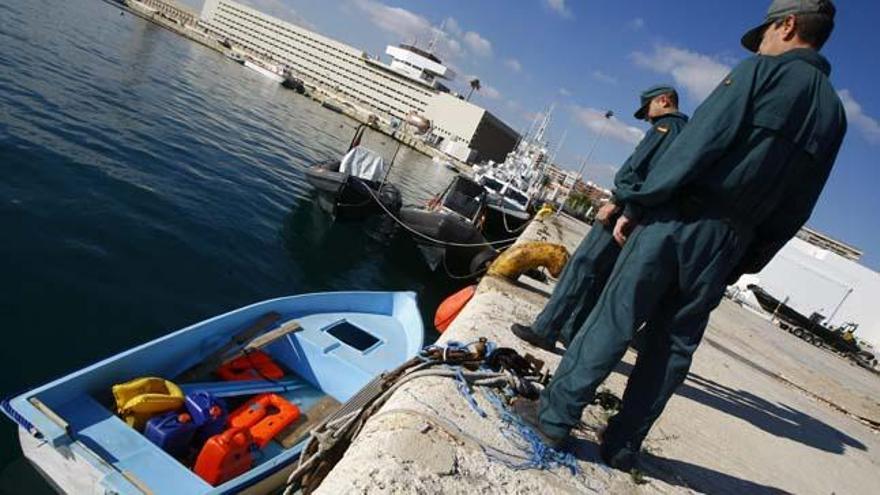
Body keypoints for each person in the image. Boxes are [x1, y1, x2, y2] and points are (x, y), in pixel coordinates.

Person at [524, 0, 846, 471]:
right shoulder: (833, 115)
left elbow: (700, 144)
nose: (761, 43)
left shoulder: (761, 72)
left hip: (679, 222)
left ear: (788, 24)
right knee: (672, 346)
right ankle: (622, 445)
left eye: (764, 34)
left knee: (616, 316)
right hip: (732, 240)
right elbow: (800, 203)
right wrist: (748, 254)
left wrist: (641, 203)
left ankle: (554, 418)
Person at [510, 86, 689, 351]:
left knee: (581, 268)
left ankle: (545, 329)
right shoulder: (685, 133)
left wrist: (618, 202)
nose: (647, 118)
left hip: (624, 211)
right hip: (640, 217)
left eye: (648, 110)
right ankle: (571, 334)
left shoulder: (665, 128)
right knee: (599, 278)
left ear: (663, 100)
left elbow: (641, 172)